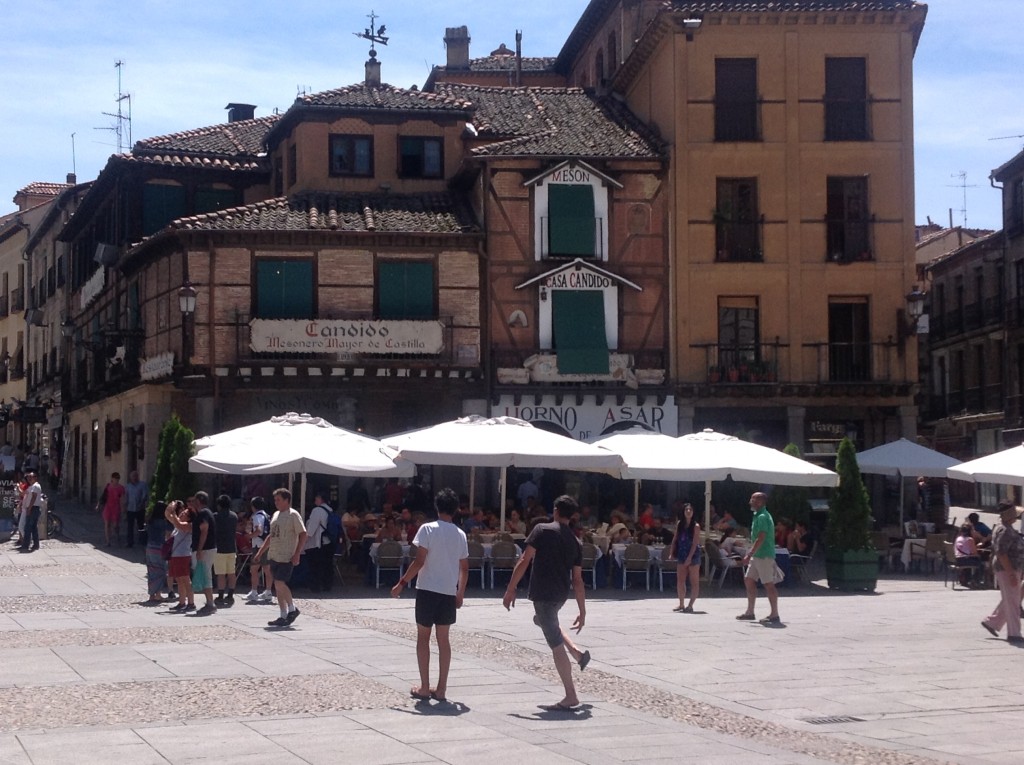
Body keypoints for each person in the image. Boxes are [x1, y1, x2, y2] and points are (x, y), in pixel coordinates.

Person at [503, 495, 591, 712]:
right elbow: (578, 581)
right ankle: (577, 653)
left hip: (543, 594)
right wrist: (582, 610)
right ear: (572, 516)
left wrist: (511, 588)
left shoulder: (542, 530)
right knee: (543, 620)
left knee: (554, 643)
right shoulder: (575, 541)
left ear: (555, 510)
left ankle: (571, 694)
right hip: (560, 594)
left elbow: (525, 559)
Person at [391, 487, 469, 703]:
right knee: (444, 640)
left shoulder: (427, 529)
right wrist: (460, 592)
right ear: (455, 510)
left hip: (427, 589)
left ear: (437, 507)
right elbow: (465, 567)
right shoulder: (461, 534)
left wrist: (402, 582)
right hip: (447, 592)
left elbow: (419, 561)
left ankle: (425, 687)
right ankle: (442, 688)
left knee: (423, 638)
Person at [253, 488, 307, 627]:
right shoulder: (276, 515)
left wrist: (297, 553)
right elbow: (271, 536)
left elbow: (302, 534)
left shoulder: (293, 515)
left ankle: (292, 609)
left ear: (286, 500)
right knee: (278, 587)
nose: (276, 502)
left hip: (286, 555)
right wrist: (260, 552)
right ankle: (283, 615)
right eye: (275, 500)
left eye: (279, 500)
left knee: (279, 583)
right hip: (274, 554)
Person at [981, 501, 1024, 644]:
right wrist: (1011, 573)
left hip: (1011, 568)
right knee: (1013, 601)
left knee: (1011, 598)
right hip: (1007, 569)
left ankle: (992, 622)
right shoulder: (1005, 530)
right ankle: (1014, 633)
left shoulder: (1005, 528)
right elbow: (1001, 553)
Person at [736, 492, 781, 625]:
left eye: (753, 499)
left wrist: (749, 553)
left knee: (768, 584)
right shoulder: (758, 515)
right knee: (749, 580)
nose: (750, 501)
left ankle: (774, 614)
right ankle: (750, 612)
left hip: (764, 555)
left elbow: (761, 537)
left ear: (760, 502)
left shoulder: (762, 517)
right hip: (757, 555)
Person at [669, 502, 702, 613]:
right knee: (680, 580)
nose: (688, 511)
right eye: (686, 510)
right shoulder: (680, 524)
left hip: (693, 555)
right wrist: (671, 551)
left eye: (690, 510)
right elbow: (675, 539)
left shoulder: (696, 526)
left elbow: (695, 543)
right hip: (682, 553)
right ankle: (681, 603)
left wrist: (690, 557)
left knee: (694, 581)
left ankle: (690, 605)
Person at [165, 501, 196, 613]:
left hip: (183, 555)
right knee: (179, 579)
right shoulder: (177, 524)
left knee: (185, 579)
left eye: (185, 514)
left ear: (189, 518)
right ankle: (182, 602)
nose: (182, 514)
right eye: (182, 512)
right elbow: (168, 516)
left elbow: (177, 522)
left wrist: (173, 513)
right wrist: (170, 507)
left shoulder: (189, 526)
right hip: (175, 555)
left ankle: (191, 603)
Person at [190, 492, 218, 616]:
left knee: (206, 575)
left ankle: (210, 603)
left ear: (199, 501)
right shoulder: (207, 512)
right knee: (206, 574)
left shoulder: (203, 514)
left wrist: (200, 549)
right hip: (209, 548)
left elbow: (204, 530)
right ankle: (209, 602)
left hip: (206, 549)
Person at [302, 491, 334, 592]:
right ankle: (327, 585)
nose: (315, 499)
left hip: (317, 543)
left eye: (317, 497)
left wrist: (303, 542)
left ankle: (315, 587)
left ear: (321, 499)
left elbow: (311, 529)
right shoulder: (330, 510)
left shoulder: (317, 510)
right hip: (328, 541)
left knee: (315, 566)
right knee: (327, 565)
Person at [245, 497, 274, 603]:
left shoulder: (257, 516)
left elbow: (258, 530)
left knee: (253, 569)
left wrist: (250, 536)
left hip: (258, 545)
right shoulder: (267, 515)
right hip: (266, 545)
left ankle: (254, 591)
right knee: (267, 569)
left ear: (253, 506)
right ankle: (268, 591)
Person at [212, 494, 238, 608]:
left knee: (221, 574)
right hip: (232, 547)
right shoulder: (234, 516)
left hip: (219, 548)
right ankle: (231, 594)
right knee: (231, 572)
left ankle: (221, 595)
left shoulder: (215, 516)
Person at [145, 500, 172, 603]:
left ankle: (151, 594)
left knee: (151, 571)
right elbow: (169, 534)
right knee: (161, 571)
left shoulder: (150, 521)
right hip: (160, 548)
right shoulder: (164, 522)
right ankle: (158, 594)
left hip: (150, 547)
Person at [97, 472, 126, 547]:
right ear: (112, 478)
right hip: (108, 507)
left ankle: (117, 536)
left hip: (116, 508)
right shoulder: (108, 486)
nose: (117, 480)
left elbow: (122, 499)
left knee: (115, 525)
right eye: (116, 478)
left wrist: (123, 509)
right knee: (107, 524)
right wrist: (99, 504)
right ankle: (108, 541)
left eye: (118, 478)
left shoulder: (121, 488)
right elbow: (103, 496)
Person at [17, 471, 44, 552]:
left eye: (31, 477)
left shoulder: (36, 486)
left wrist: (29, 508)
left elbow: (34, 497)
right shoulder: (31, 486)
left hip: (33, 508)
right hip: (32, 508)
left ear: (35, 478)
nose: (29, 479)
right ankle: (36, 544)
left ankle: (26, 545)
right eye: (28, 477)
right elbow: (23, 493)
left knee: (27, 527)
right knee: (33, 528)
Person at [122, 470, 149, 548]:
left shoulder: (142, 485)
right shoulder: (128, 486)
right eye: (133, 476)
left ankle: (142, 541)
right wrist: (124, 508)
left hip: (140, 509)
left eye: (136, 476)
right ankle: (130, 542)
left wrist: (141, 504)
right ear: (130, 477)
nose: (134, 477)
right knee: (130, 526)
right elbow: (126, 497)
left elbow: (145, 496)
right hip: (130, 508)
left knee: (141, 525)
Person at [954, 523, 983, 588]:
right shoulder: (970, 539)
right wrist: (977, 547)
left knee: (973, 559)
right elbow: (974, 553)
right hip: (964, 560)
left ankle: (965, 578)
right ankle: (976, 581)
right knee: (980, 563)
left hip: (957, 559)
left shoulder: (958, 538)